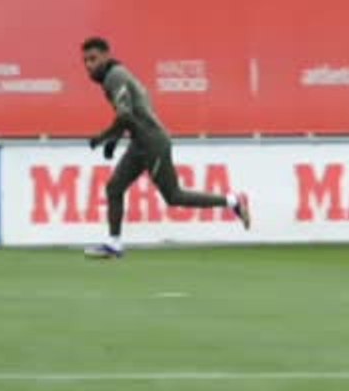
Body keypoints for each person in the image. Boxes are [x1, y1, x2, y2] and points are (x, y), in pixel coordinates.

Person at [81, 37, 250, 258]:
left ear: (106, 56)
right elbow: (129, 116)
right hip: (140, 142)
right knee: (114, 188)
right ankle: (114, 244)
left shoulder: (115, 76)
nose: (89, 65)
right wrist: (113, 139)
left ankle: (233, 201)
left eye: (93, 59)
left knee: (174, 196)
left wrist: (104, 138)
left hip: (152, 142)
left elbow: (125, 116)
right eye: (85, 61)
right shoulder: (114, 76)